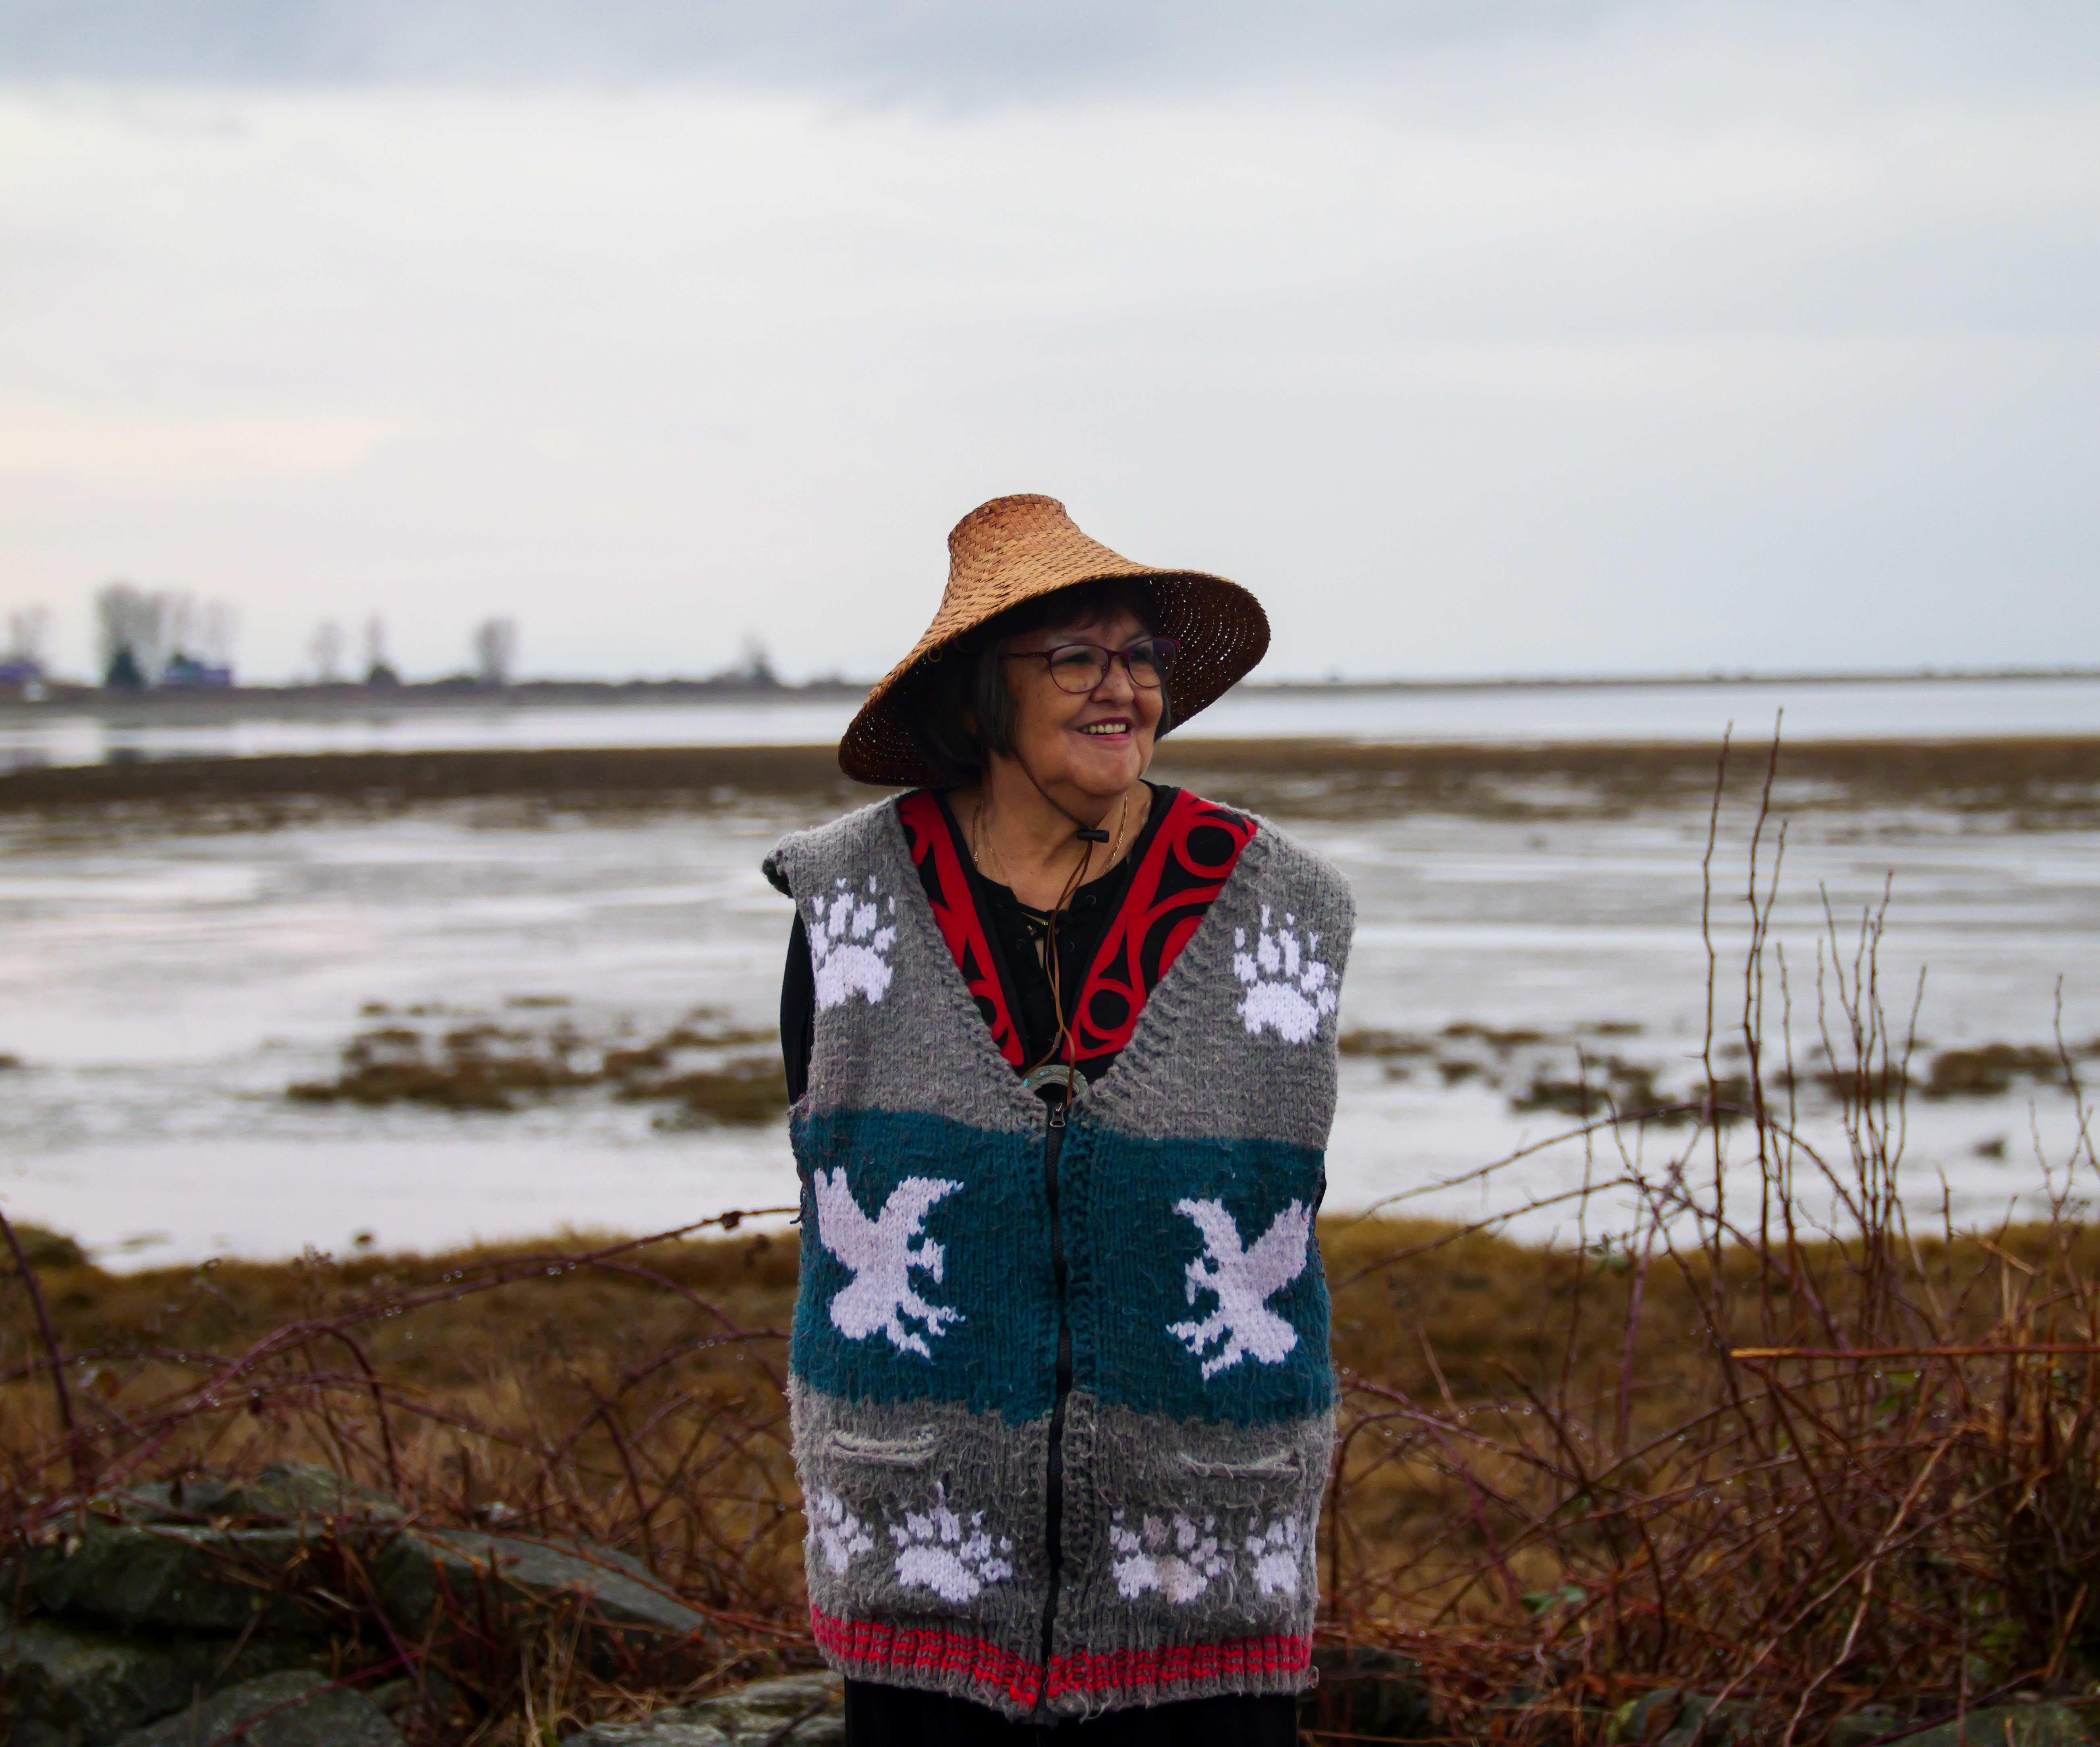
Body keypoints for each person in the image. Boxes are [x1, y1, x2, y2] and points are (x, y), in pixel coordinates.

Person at [766, 495, 1354, 1743]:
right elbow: (824, 1168)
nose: (1123, 687)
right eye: (1076, 656)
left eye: (1139, 655)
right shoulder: (850, 904)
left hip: (1206, 1568)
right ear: (987, 694)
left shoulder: (1283, 909)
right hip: (918, 1559)